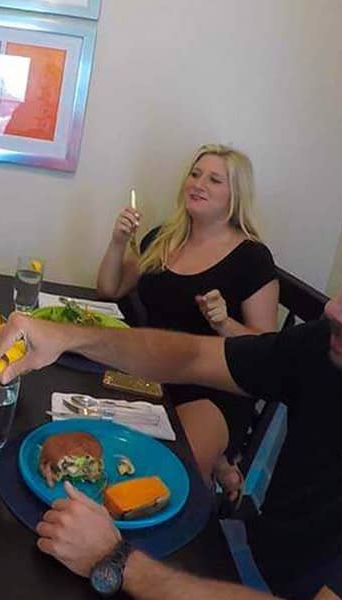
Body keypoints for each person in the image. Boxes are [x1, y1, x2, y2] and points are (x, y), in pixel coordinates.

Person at [0, 196, 342, 599]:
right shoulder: (334, 348)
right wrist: (65, 336)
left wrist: (115, 561)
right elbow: (193, 358)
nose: (333, 306)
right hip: (240, 556)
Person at [96, 144, 278, 490]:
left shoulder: (252, 258)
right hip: (150, 373)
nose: (199, 184)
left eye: (214, 180)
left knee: (159, 480)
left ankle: (218, 461)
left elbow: (268, 352)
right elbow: (109, 289)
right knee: (106, 457)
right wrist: (119, 242)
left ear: (234, 196)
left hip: (212, 387)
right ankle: (219, 466)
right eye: (195, 175)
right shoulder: (164, 238)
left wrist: (224, 323)